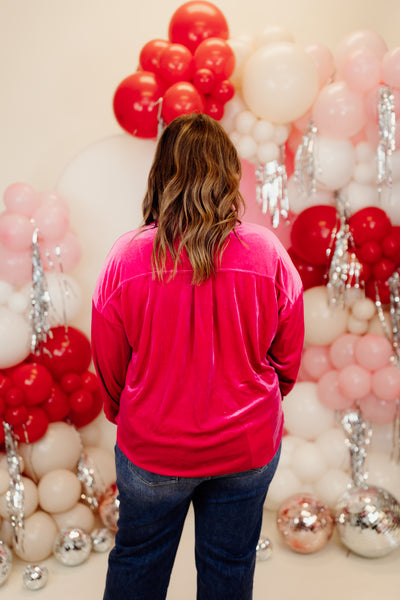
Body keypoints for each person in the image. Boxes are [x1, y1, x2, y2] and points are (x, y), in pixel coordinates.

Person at [91, 112, 304, 600]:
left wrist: (127, 410)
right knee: (229, 565)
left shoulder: (126, 258)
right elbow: (288, 353)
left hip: (153, 449)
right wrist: (266, 393)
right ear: (229, 174)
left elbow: (108, 364)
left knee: (137, 562)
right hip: (246, 445)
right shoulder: (267, 252)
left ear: (162, 174)